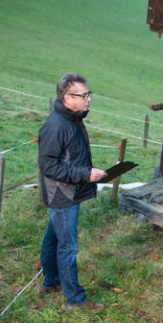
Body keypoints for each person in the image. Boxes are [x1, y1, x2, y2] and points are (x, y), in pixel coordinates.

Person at [38, 73, 107, 311]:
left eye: (89, 94)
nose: (89, 99)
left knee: (54, 237)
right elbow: (48, 166)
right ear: (67, 98)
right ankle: (75, 299)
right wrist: (85, 174)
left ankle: (52, 281)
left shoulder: (74, 119)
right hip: (62, 195)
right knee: (67, 246)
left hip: (69, 192)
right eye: (84, 95)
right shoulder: (56, 125)